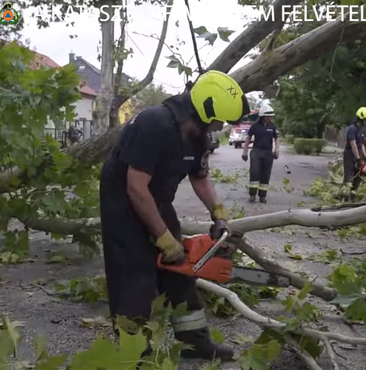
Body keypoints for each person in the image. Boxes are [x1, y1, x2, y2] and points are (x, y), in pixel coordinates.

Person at [99, 70, 250, 361]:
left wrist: (219, 215)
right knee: (136, 278)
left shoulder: (198, 135)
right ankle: (136, 353)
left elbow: (200, 177)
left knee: (182, 269)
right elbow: (135, 187)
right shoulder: (154, 123)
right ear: (202, 110)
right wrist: (164, 239)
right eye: (216, 121)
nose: (218, 127)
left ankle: (195, 343)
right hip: (122, 203)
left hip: (157, 199)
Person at [241, 103, 280, 203]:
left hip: (268, 154)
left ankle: (262, 196)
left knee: (265, 175)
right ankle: (252, 195)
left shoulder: (273, 126)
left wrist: (277, 150)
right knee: (254, 173)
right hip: (256, 153)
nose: (269, 118)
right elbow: (248, 138)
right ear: (262, 116)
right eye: (268, 116)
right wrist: (245, 152)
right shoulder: (255, 126)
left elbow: (277, 138)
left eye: (270, 116)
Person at [343, 107, 366, 195]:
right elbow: (353, 145)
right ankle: (344, 194)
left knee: (359, 175)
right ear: (361, 119)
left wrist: (365, 158)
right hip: (349, 155)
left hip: (357, 155)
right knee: (349, 176)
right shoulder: (352, 129)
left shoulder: (361, 130)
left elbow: (361, 144)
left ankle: (353, 193)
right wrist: (358, 159)